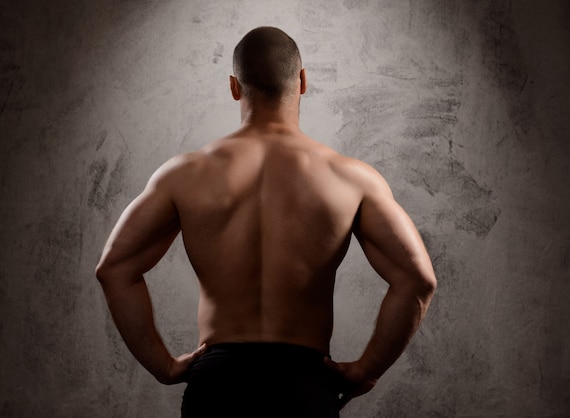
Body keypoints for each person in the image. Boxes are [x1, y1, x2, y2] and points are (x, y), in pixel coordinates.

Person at [95, 26, 437, 417]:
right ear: (303, 81)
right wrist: (365, 369)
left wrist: (164, 366)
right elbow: (418, 280)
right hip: (303, 385)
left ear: (234, 87)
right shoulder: (351, 178)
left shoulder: (183, 175)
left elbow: (114, 268)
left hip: (218, 386)